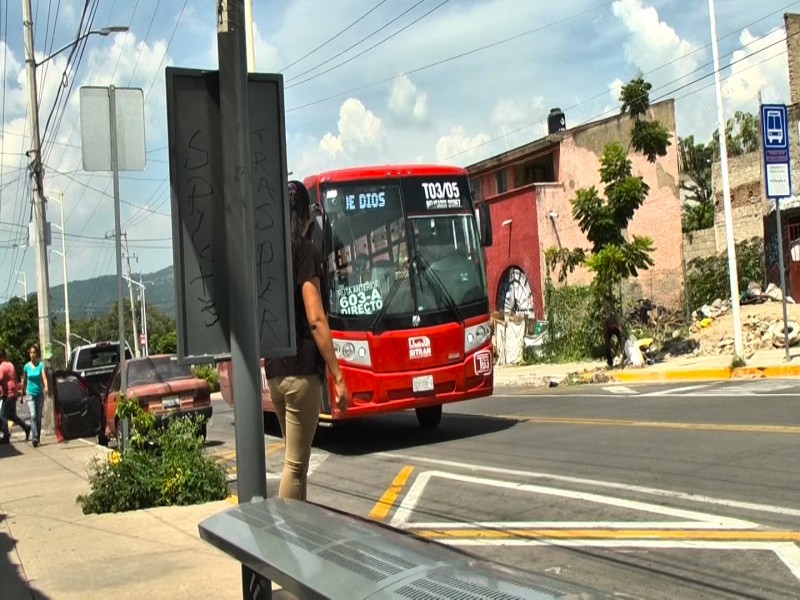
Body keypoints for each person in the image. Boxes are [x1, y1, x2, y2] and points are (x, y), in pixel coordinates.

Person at [265, 180, 350, 501]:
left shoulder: (269, 257)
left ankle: (293, 532)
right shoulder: (304, 252)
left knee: (292, 459)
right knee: (296, 465)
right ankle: (291, 538)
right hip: (301, 371)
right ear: (304, 217)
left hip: (275, 372)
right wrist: (338, 376)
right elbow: (315, 319)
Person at [0, 348, 30, 442]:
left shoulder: (2, 366)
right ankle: (26, 428)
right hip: (14, 393)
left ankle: (6, 435)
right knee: (13, 416)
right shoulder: (10, 364)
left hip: (8, 394)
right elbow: (15, 378)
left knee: (2, 416)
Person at [22, 344, 48, 447]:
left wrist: (46, 386)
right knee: (33, 415)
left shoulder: (40, 365)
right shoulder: (26, 366)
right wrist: (21, 394)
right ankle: (35, 437)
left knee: (38, 417)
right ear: (29, 354)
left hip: (39, 394)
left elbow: (44, 377)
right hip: (30, 394)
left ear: (37, 354)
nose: (32, 355)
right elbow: (24, 381)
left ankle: (38, 438)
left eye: (34, 353)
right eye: (31, 353)